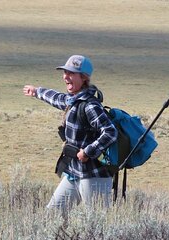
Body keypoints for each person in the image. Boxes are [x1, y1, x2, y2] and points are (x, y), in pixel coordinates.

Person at [23, 55, 117, 210]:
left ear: (84, 78)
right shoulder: (72, 101)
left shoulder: (90, 106)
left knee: (95, 225)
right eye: (65, 72)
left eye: (71, 73)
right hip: (73, 172)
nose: (66, 77)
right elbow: (57, 98)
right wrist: (37, 91)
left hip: (93, 176)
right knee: (52, 217)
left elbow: (110, 132)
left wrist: (87, 152)